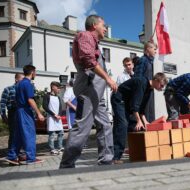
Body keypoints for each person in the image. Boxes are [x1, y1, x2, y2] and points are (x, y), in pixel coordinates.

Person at [59, 15, 118, 168]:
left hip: (97, 90)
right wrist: (108, 79)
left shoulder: (96, 44)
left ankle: (106, 160)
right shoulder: (84, 35)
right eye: (103, 25)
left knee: (105, 124)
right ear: (93, 25)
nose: (105, 28)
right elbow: (88, 61)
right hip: (88, 87)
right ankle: (66, 165)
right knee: (83, 127)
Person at [111, 72, 168, 164]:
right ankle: (115, 157)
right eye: (161, 86)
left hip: (127, 103)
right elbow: (135, 105)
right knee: (122, 125)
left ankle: (134, 152)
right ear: (156, 80)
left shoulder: (149, 90)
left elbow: (141, 108)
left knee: (133, 126)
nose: (161, 88)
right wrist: (138, 120)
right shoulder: (142, 83)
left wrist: (145, 122)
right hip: (119, 99)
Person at [5, 65, 45, 165]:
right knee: (29, 134)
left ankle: (12, 156)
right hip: (25, 111)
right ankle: (31, 158)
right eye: (35, 72)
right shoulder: (27, 84)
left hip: (18, 111)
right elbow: (30, 99)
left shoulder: (19, 83)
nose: (36, 74)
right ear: (32, 72)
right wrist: (39, 113)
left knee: (18, 135)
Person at [0, 73, 24, 152]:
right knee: (13, 135)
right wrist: (3, 115)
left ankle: (20, 153)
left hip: (23, 114)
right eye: (22, 79)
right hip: (13, 113)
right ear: (16, 79)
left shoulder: (24, 90)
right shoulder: (8, 89)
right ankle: (12, 154)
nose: (24, 81)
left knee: (22, 134)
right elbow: (2, 103)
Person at [134, 41, 157, 122]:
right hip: (143, 91)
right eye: (154, 49)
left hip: (149, 90)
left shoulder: (150, 62)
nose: (155, 51)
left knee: (150, 112)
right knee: (144, 111)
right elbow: (137, 77)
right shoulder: (143, 60)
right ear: (148, 49)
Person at [43, 81, 64, 155]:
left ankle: (60, 147)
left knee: (61, 133)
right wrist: (53, 115)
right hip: (51, 118)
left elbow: (60, 107)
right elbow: (45, 107)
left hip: (58, 118)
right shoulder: (47, 96)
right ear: (53, 87)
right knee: (52, 134)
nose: (59, 90)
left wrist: (59, 115)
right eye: (58, 88)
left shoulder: (58, 97)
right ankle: (52, 149)